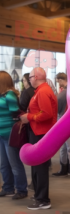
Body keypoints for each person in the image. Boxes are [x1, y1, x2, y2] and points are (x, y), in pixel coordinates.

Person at [20, 67, 58, 210]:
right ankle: (39, 196)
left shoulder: (43, 91)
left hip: (41, 133)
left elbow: (46, 114)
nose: (28, 80)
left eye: (29, 77)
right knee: (37, 166)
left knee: (40, 167)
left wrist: (28, 117)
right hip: (38, 132)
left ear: (35, 77)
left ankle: (43, 199)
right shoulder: (41, 91)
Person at [0, 71, 28, 200]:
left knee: (14, 163)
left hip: (10, 134)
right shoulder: (3, 95)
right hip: (2, 134)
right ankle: (8, 188)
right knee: (4, 163)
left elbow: (15, 112)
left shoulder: (10, 95)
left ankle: (21, 189)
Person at [52, 72, 70, 180]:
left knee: (67, 146)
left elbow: (57, 105)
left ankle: (66, 170)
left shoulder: (65, 92)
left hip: (65, 120)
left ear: (60, 80)